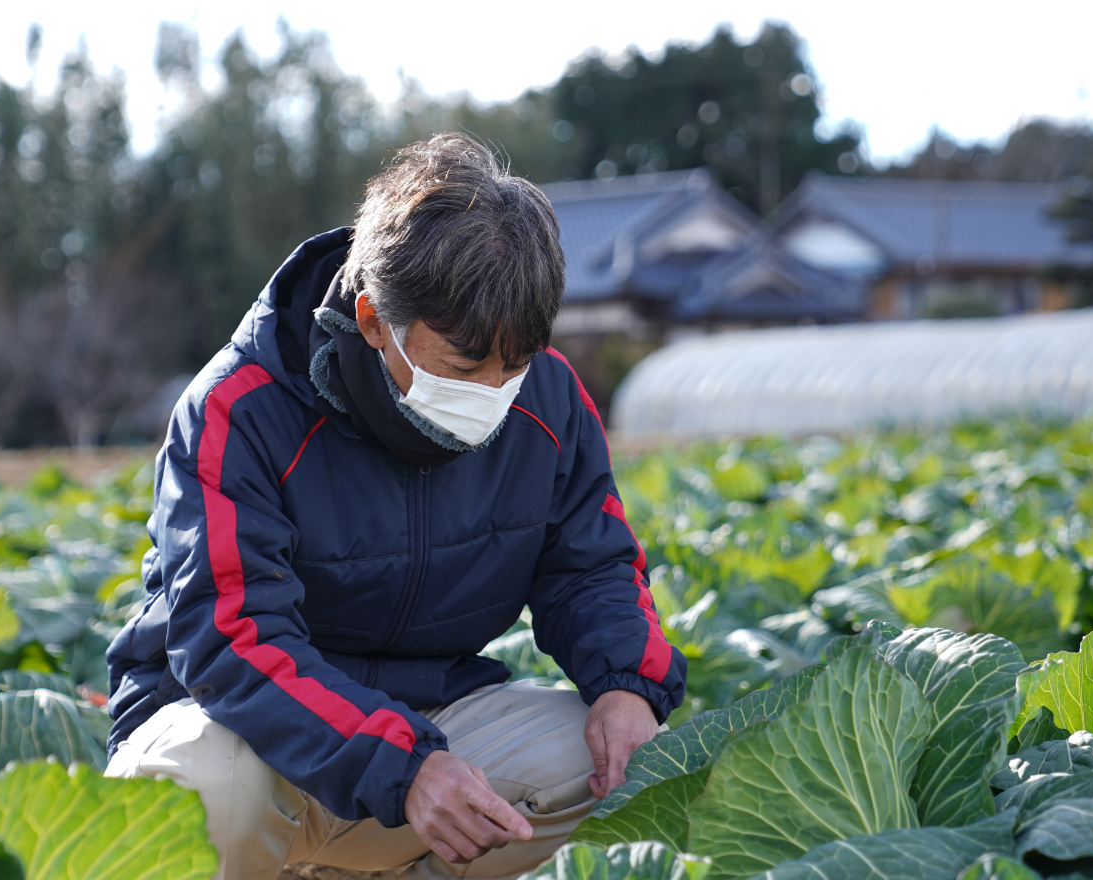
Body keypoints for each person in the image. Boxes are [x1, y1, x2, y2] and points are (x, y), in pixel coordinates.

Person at [103, 133, 686, 880]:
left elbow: (591, 568)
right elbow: (232, 639)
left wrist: (626, 688)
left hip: (428, 726)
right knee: (205, 786)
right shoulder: (239, 410)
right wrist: (400, 769)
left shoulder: (550, 400)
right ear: (376, 321)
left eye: (516, 363)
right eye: (465, 364)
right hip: (246, 734)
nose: (495, 389)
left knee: (613, 766)